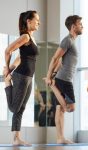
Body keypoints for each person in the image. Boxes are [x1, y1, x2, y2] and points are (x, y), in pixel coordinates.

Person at [44, 15, 83, 144]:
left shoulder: (71, 41)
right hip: (64, 80)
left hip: (63, 78)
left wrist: (54, 73)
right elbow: (54, 58)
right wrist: (50, 77)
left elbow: (61, 61)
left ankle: (60, 138)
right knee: (70, 108)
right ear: (73, 26)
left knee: (60, 110)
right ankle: (53, 86)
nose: (82, 26)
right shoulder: (67, 40)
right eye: (80, 24)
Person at [3, 10, 40, 146]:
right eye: (37, 20)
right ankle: (7, 84)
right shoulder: (25, 37)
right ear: (28, 21)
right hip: (22, 75)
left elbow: (21, 57)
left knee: (21, 108)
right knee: (14, 108)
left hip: (29, 77)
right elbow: (8, 50)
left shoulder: (32, 38)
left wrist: (11, 67)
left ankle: (16, 138)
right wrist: (7, 70)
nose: (39, 22)